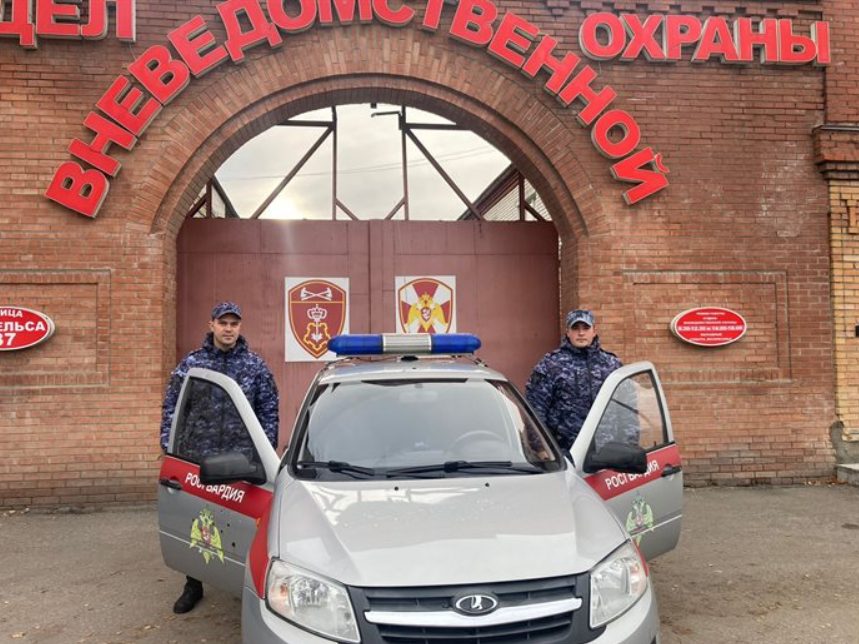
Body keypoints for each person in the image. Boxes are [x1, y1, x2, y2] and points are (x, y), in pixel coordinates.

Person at [159, 301, 279, 614]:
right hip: (200, 458)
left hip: (240, 461)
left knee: (238, 522)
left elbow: (268, 409)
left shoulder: (254, 366)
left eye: (233, 324)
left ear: (240, 327)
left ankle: (238, 579)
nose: (228, 329)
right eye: (223, 323)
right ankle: (193, 583)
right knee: (196, 519)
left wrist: (264, 452)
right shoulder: (193, 364)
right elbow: (173, 404)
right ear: (211, 324)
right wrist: (169, 444)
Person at [525, 309, 622, 450]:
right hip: (565, 451)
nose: (581, 333)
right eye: (575, 328)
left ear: (594, 331)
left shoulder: (612, 364)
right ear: (568, 332)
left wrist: (629, 444)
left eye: (586, 328)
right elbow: (535, 409)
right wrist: (540, 448)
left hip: (607, 450)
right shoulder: (551, 365)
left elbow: (626, 409)